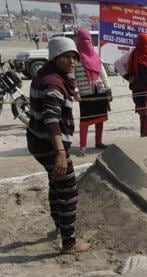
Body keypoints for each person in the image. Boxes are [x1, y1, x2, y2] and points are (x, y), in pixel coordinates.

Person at [26, 37, 93, 253]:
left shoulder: (49, 74)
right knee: (68, 191)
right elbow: (51, 120)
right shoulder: (53, 83)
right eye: (67, 57)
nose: (72, 62)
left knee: (56, 183)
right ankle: (69, 242)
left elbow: (58, 95)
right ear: (55, 56)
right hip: (49, 144)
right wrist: (60, 153)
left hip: (37, 139)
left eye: (75, 57)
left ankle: (59, 224)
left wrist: (71, 94)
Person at [74, 28, 111, 157]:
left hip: (99, 91)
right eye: (83, 39)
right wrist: (76, 91)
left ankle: (98, 142)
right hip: (85, 93)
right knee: (85, 121)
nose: (86, 42)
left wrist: (108, 89)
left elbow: (103, 73)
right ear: (78, 40)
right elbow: (72, 76)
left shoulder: (95, 55)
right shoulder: (75, 56)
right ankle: (82, 146)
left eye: (87, 40)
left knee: (100, 119)